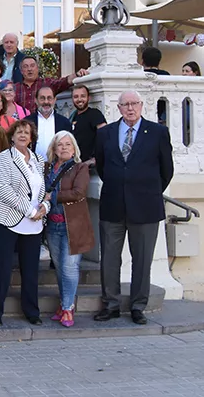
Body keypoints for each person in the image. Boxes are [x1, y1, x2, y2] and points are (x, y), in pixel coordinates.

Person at [94, 91, 173, 325]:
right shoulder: (105, 134)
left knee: (142, 260)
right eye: (125, 104)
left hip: (145, 206)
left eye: (134, 104)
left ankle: (139, 305)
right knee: (109, 258)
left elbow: (166, 170)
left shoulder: (158, 132)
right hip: (113, 204)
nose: (130, 108)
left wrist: (146, 190)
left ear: (141, 105)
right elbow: (102, 166)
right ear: (118, 108)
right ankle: (111, 304)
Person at [0, 120, 48, 326]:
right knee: (2, 270)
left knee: (31, 270)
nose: (23, 135)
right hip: (7, 220)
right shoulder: (5, 157)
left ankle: (32, 311)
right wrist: (29, 210)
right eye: (19, 132)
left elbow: (42, 190)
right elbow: (3, 188)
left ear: (32, 138)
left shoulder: (39, 160)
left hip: (33, 223)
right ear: (12, 136)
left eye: (27, 132)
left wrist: (43, 208)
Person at [44, 131, 94, 328]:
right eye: (60, 144)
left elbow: (78, 192)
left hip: (73, 225)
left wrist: (52, 196)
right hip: (52, 225)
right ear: (54, 149)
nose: (64, 148)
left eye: (68, 144)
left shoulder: (80, 167)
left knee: (70, 268)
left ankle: (67, 308)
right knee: (60, 268)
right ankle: (65, 304)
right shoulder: (47, 168)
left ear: (74, 148)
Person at [15, 56, 86, 114]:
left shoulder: (46, 83)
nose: (29, 69)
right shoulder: (15, 88)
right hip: (22, 126)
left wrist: (77, 74)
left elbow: (63, 82)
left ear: (37, 68)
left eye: (32, 66)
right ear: (21, 71)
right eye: (25, 66)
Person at [28, 86, 71, 156]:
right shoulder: (27, 122)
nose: (46, 101)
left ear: (54, 100)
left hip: (57, 165)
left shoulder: (64, 122)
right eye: (42, 98)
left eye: (49, 98)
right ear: (36, 100)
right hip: (32, 165)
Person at [68, 84, 106, 161]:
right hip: (75, 163)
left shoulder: (95, 114)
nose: (79, 99)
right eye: (76, 97)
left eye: (83, 96)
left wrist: (95, 159)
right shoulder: (72, 117)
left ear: (88, 98)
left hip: (91, 166)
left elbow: (106, 137)